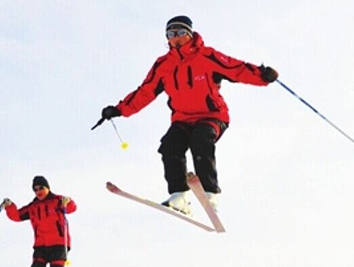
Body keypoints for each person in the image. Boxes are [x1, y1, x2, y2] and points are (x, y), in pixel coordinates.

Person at [97, 15, 279, 215]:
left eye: (180, 32)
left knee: (201, 140)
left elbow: (235, 69)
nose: (175, 38)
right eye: (170, 34)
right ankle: (179, 196)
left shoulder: (207, 56)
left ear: (190, 34)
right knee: (170, 145)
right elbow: (146, 91)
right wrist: (119, 109)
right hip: (183, 118)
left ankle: (211, 193)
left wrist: (262, 75)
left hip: (212, 115)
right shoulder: (163, 65)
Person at [3, 176, 77, 267]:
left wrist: (68, 201)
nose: (38, 191)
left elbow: (72, 208)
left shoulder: (57, 201)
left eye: (41, 188)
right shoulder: (33, 207)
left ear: (47, 188)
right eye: (35, 189)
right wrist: (9, 206)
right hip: (41, 244)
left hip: (58, 243)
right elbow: (17, 216)